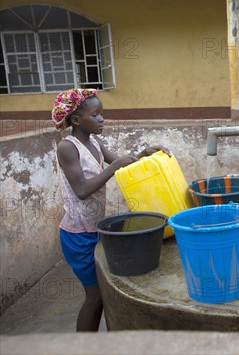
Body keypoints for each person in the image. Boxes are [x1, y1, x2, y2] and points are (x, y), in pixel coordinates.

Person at [51, 88, 168, 331]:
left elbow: (122, 166)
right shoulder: (67, 147)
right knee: (94, 298)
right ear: (75, 120)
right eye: (95, 115)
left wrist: (143, 154)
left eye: (102, 114)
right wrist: (114, 165)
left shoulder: (94, 142)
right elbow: (82, 189)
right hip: (76, 235)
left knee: (102, 297)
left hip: (93, 230)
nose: (101, 119)